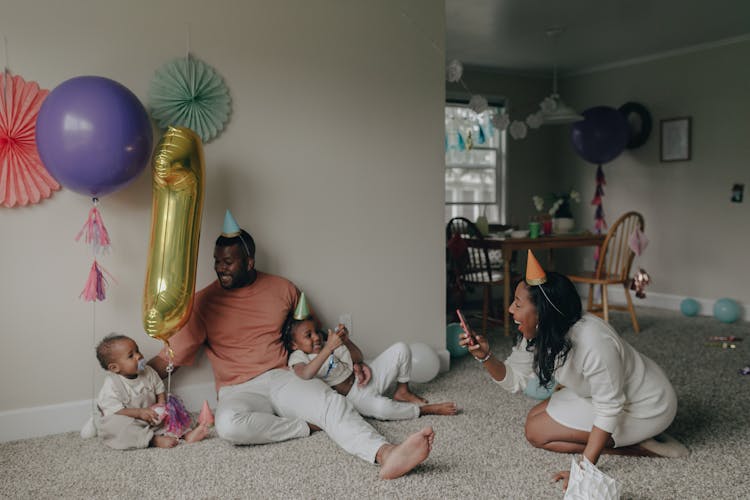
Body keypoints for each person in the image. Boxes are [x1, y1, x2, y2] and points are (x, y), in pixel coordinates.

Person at [147, 210, 434, 479]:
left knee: (330, 402)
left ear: (249, 262)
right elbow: (168, 358)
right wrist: (130, 383)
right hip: (238, 388)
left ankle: (387, 453)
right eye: (217, 260)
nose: (220, 268)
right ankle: (305, 426)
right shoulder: (203, 303)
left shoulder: (283, 289)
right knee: (228, 426)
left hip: (282, 376)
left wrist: (354, 360)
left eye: (228, 262)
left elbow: (316, 336)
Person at [461, 250, 686, 491]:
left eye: (517, 304)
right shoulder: (542, 332)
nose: (509, 310)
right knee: (535, 418)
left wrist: (583, 471)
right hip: (601, 394)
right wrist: (485, 356)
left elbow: (609, 407)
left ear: (542, 313)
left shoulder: (594, 342)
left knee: (536, 433)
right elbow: (514, 379)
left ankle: (641, 446)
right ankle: (621, 441)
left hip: (647, 406)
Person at [283, 296, 458, 420]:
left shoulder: (327, 343)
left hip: (365, 379)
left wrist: (346, 341)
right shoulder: (298, 357)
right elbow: (305, 374)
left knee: (401, 348)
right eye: (308, 335)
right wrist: (328, 348)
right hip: (354, 397)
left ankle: (402, 390)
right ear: (294, 344)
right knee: (383, 409)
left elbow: (358, 356)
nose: (316, 337)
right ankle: (424, 411)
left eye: (315, 331)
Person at [95, 334, 209, 449]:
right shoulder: (112, 384)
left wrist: (161, 404)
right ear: (115, 368)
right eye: (131, 355)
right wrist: (139, 413)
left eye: (137, 351)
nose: (138, 356)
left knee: (173, 413)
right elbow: (115, 410)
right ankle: (153, 440)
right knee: (115, 427)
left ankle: (186, 435)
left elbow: (159, 388)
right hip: (131, 420)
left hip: (153, 416)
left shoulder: (148, 372)